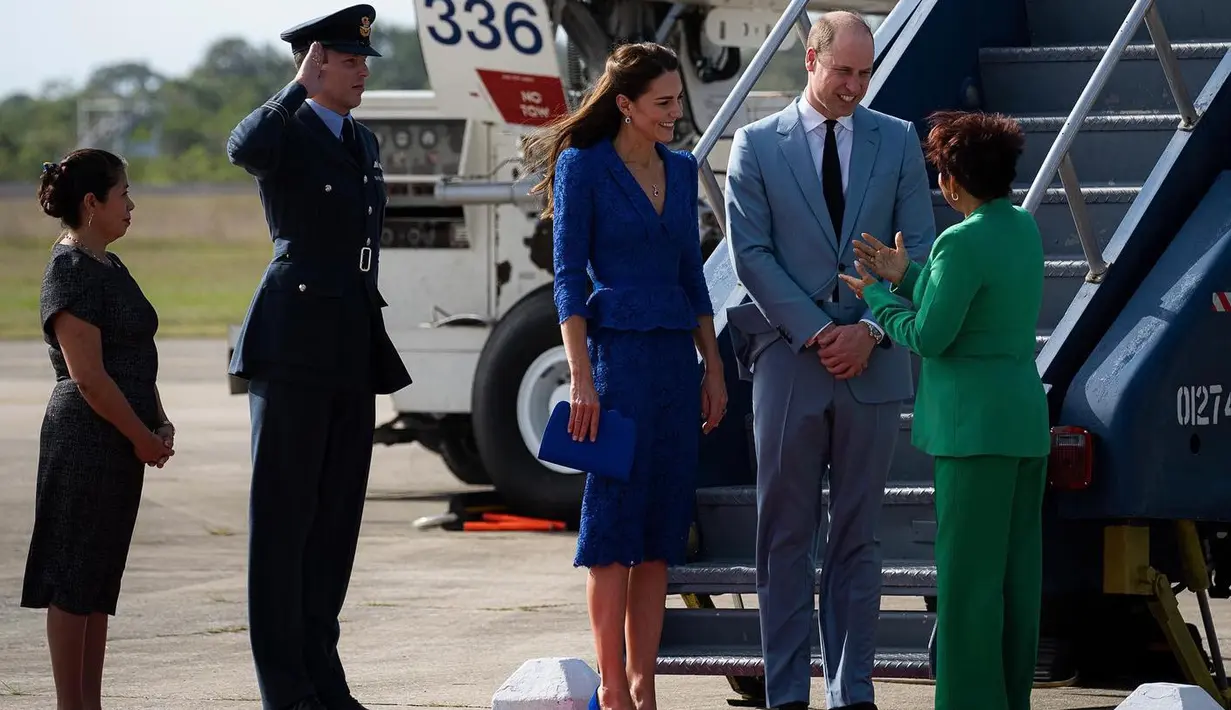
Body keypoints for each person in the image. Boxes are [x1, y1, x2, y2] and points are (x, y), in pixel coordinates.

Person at [723, 11, 936, 710]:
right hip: (790, 362)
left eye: (863, 72)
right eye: (841, 71)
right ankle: (785, 692)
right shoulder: (755, 144)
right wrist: (819, 332)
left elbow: (919, 252)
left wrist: (871, 330)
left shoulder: (897, 140)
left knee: (857, 537)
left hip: (871, 361)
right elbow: (749, 254)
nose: (853, 86)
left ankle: (853, 692)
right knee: (783, 536)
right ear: (809, 61)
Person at [522, 41, 728, 710]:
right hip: (613, 367)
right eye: (662, 103)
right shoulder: (583, 167)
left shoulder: (681, 164)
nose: (675, 113)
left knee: (660, 536)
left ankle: (645, 685)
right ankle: (611, 686)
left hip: (674, 363)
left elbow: (691, 274)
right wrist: (579, 378)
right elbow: (568, 278)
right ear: (624, 104)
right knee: (612, 532)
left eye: (677, 101)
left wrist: (713, 365)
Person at [225, 5, 412, 710]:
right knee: (283, 521)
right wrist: (292, 88)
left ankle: (321, 680)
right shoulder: (287, 127)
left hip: (350, 342)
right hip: (292, 342)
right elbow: (243, 149)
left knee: (334, 522)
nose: (362, 70)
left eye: (363, 60)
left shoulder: (360, 141)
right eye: (350, 60)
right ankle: (285, 689)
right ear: (315, 63)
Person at [840, 110, 1050, 710]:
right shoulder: (1020, 227)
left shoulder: (959, 239)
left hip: (970, 431)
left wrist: (880, 297)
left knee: (966, 587)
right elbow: (971, 299)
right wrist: (907, 275)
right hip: (1020, 422)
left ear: (953, 181)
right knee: (1014, 581)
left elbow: (932, 336)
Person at [22, 148, 175, 710]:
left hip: (122, 436)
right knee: (72, 576)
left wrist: (155, 418)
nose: (131, 205)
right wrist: (140, 435)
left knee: (98, 579)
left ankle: (92, 702)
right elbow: (88, 376)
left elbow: (131, 351)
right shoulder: (70, 270)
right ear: (92, 203)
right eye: (123, 195)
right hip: (86, 438)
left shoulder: (109, 264)